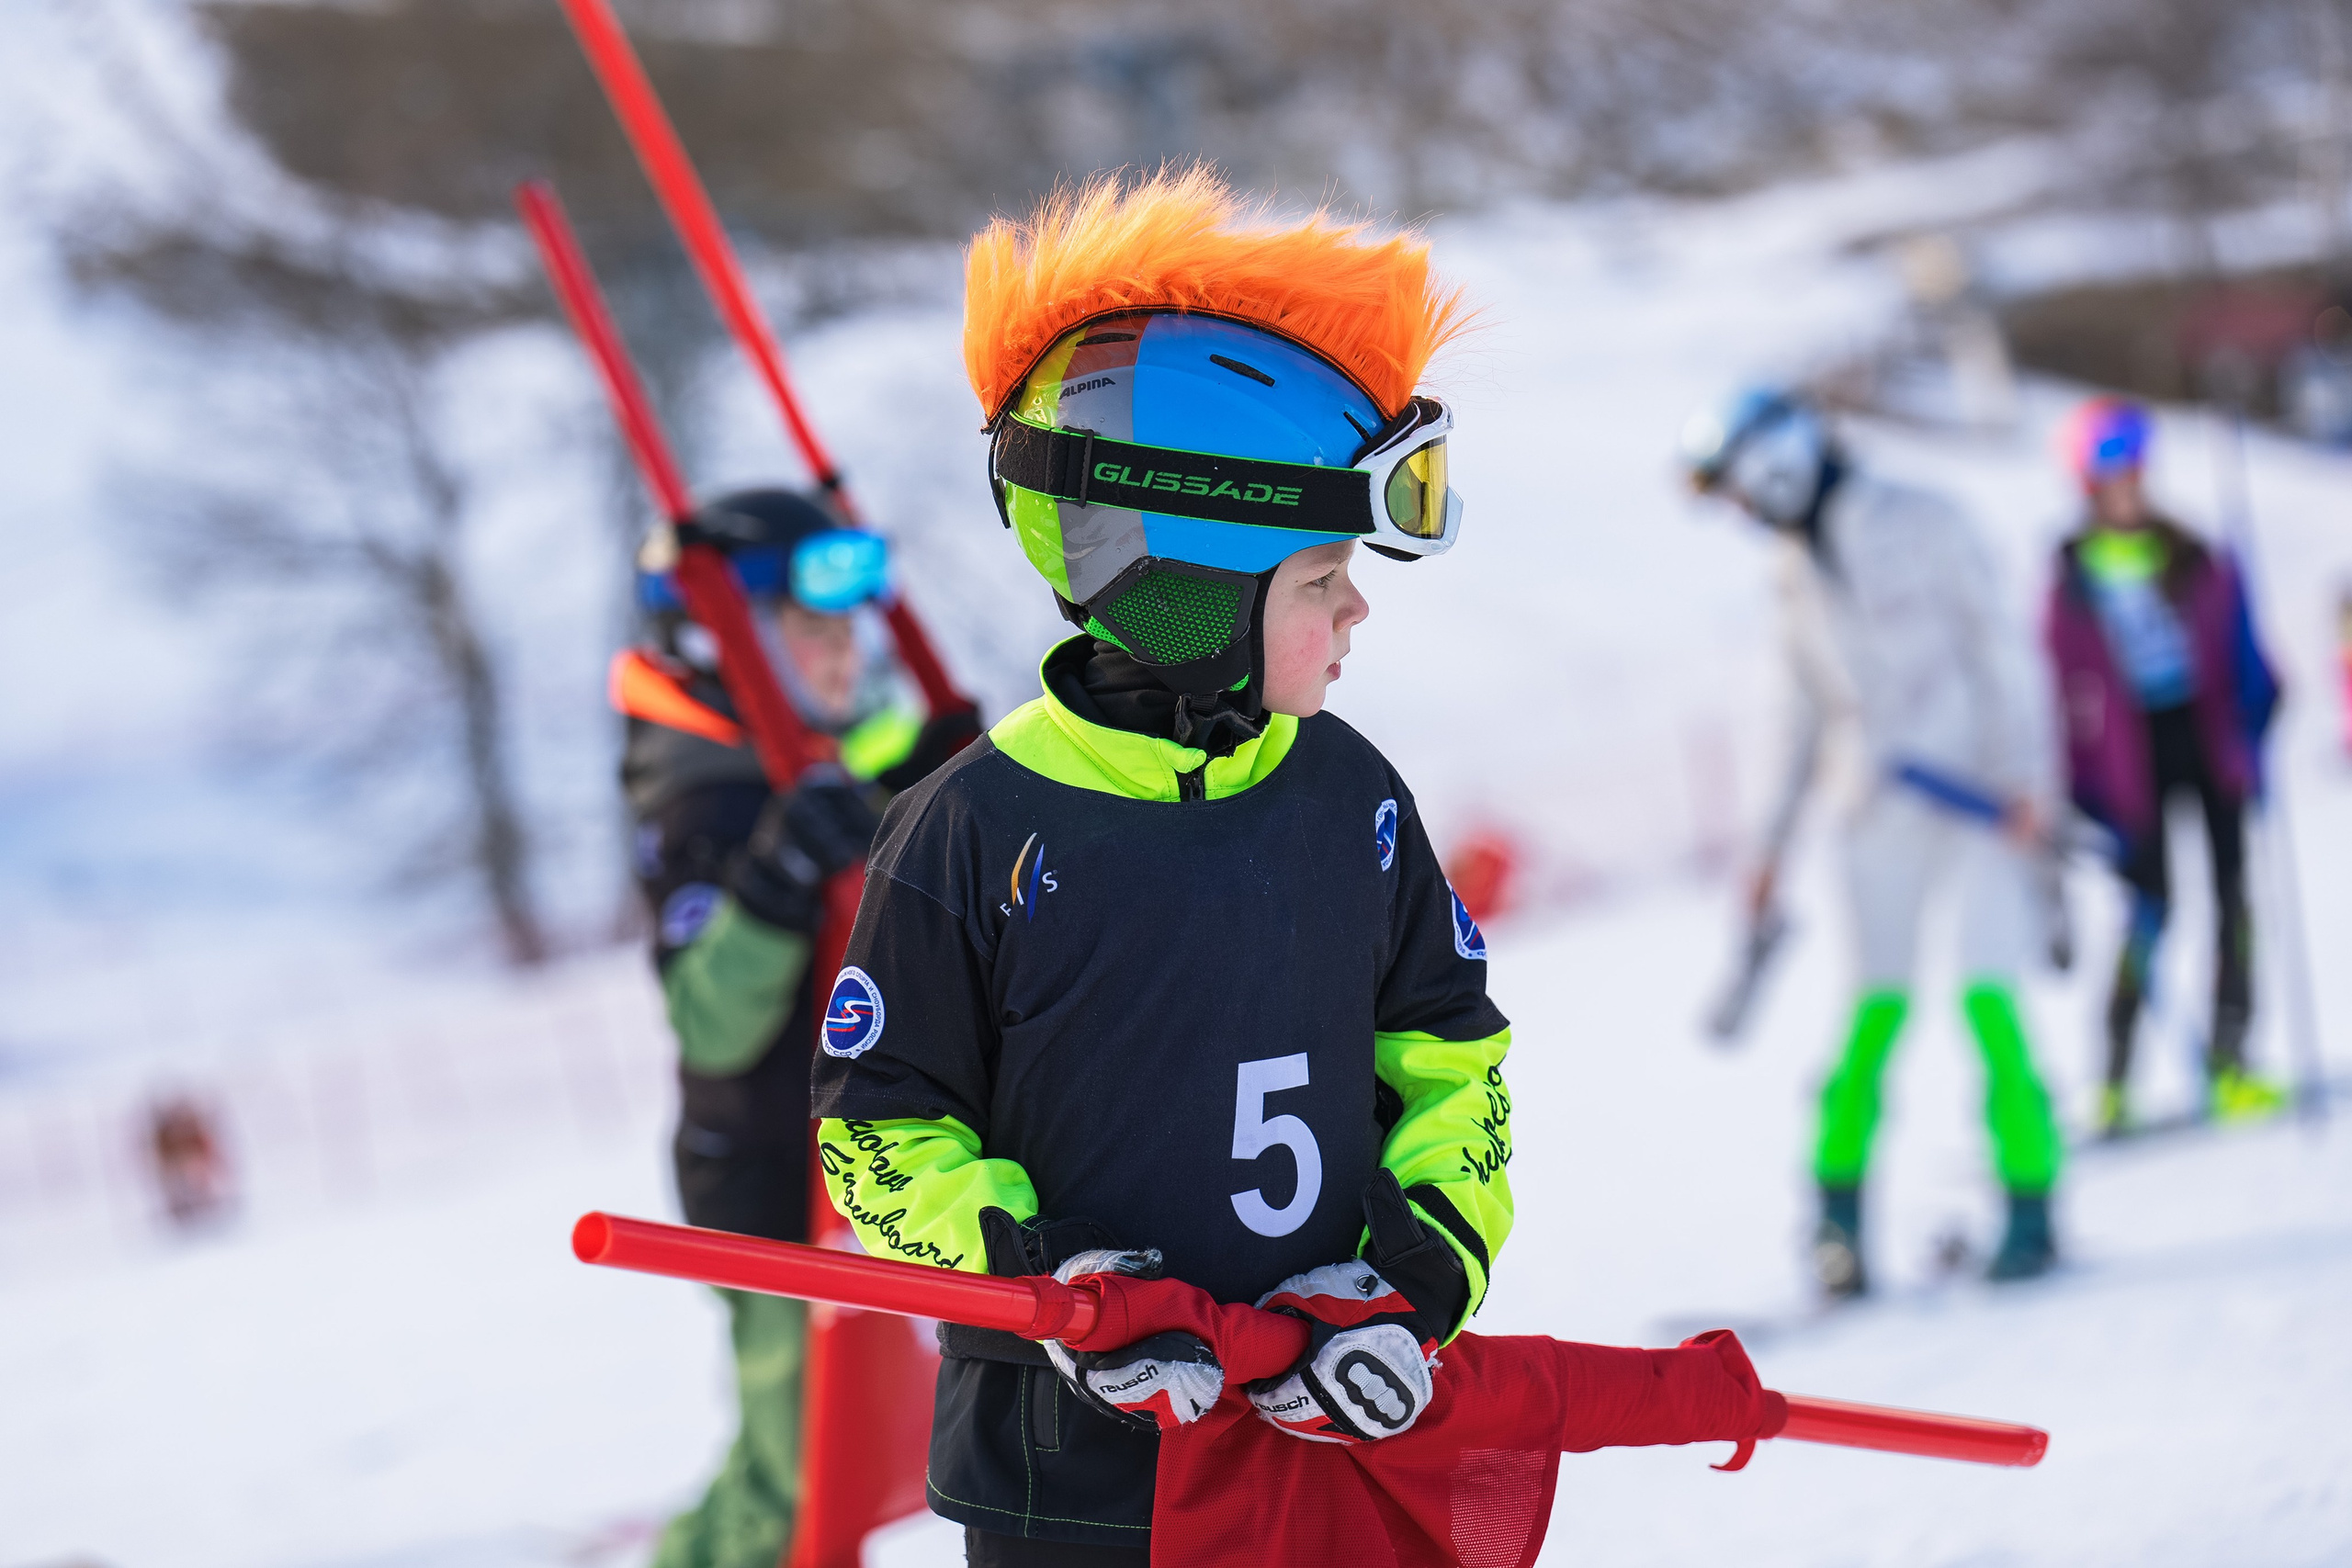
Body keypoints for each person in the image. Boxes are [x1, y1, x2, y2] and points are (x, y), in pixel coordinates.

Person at [808, 168, 1514, 1564]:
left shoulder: (1350, 796)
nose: (1356, 608)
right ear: (1183, 587)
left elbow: (1451, 1063)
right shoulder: (972, 830)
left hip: (1314, 1437)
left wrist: (1408, 1286)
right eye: (1320, 579)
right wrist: (1046, 1279)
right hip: (1067, 1478)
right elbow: (875, 1137)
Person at [616, 487, 980, 1568]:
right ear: (713, 640)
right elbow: (708, 1021)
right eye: (807, 628)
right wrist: (773, 880)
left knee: (870, 1447)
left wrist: (944, 791)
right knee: (798, 1482)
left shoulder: (831, 770)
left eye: (847, 626)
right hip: (769, 1190)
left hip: (866, 1167)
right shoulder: (708, 806)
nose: (839, 651)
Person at [1679, 386, 2063, 1294]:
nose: (1741, 513)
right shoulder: (1790, 569)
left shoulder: (1924, 520)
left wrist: (2029, 787)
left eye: (1739, 491)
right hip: (1875, 810)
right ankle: (1837, 1223)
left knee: (1987, 1000)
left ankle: (2032, 1205)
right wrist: (1768, 849)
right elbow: (1801, 712)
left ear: (1774, 463)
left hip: (1980, 799)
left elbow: (2002, 653)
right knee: (1872, 1015)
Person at [2042, 397, 2285, 1136]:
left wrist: (2259, 711)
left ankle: (2232, 1057)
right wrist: (2077, 782)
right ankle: (2114, 1077)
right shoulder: (2072, 575)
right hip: (2129, 757)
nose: (2127, 483)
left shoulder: (2197, 554)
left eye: (2135, 467)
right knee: (2148, 910)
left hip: (2207, 741)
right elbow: (2059, 682)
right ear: (2087, 483)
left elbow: (2243, 650)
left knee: (2232, 900)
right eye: (2110, 471)